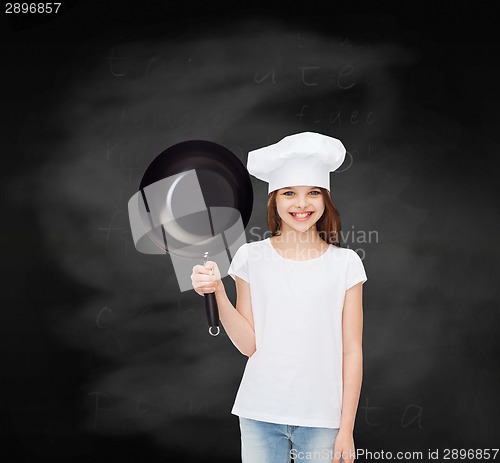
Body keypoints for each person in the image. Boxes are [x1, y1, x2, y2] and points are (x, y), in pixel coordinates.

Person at [191, 132, 368, 463]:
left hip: (322, 419)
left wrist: (346, 429)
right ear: (275, 199)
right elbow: (249, 345)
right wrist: (217, 293)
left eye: (312, 192)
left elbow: (352, 351)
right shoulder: (250, 257)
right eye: (289, 193)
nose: (301, 204)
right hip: (259, 412)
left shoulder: (346, 264)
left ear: (325, 199)